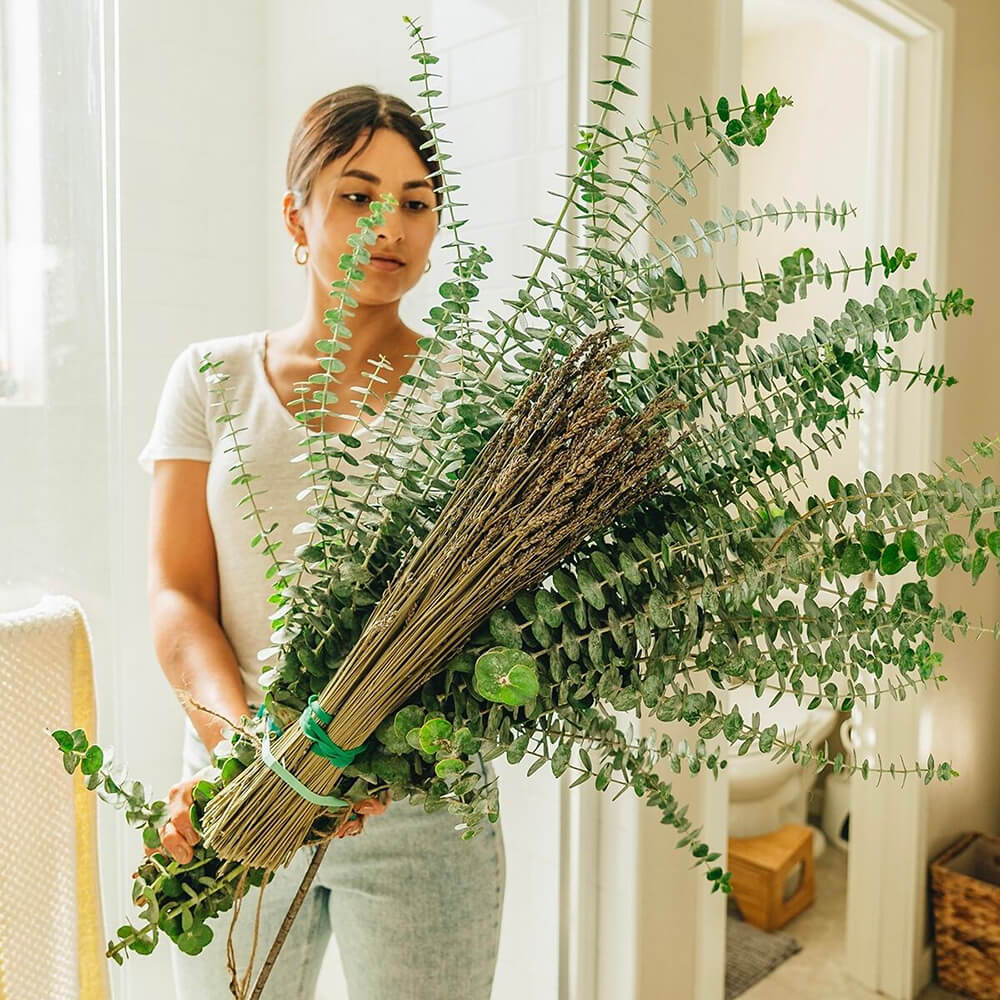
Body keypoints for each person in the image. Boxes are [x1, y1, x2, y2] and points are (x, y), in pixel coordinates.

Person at [137, 85, 506, 999]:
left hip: (421, 809)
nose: (392, 222)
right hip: (238, 790)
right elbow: (178, 593)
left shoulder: (480, 397)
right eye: (357, 193)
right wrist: (242, 752)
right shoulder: (210, 378)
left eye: (417, 201)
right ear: (296, 215)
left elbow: (498, 617)